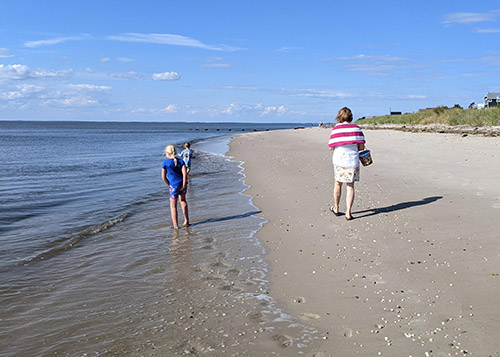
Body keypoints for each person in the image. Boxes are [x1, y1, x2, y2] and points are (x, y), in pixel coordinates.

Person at [327, 107, 366, 220]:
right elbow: (361, 147)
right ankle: (348, 213)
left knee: (338, 184)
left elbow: (331, 147)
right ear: (351, 116)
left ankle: (336, 208)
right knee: (350, 186)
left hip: (339, 160)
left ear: (339, 117)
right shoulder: (356, 128)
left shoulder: (336, 129)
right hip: (352, 161)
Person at [162, 144, 189, 229]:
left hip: (173, 186)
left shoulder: (165, 163)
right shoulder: (181, 161)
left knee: (173, 206)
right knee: (183, 201)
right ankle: (186, 220)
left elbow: (163, 177)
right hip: (182, 184)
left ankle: (175, 225)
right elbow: (185, 174)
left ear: (167, 153)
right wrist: (184, 184)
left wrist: (169, 184)